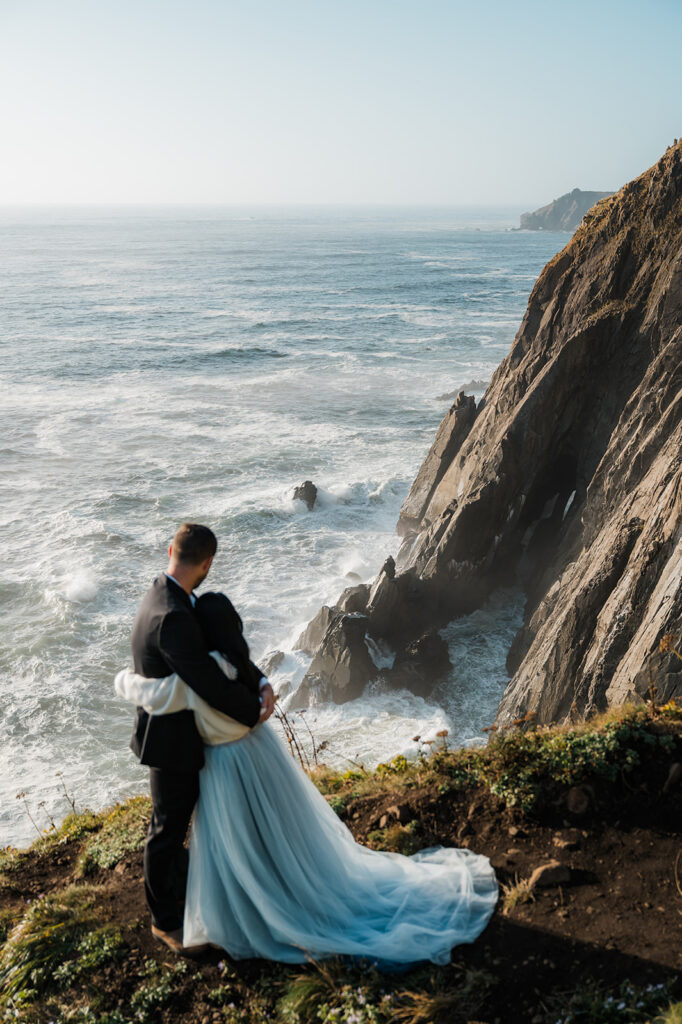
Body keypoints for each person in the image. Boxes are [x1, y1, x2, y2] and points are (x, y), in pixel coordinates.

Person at [117, 578, 498, 969]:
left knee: (238, 841)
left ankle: (250, 908)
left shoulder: (202, 678)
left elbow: (158, 693)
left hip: (227, 770)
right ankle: (284, 891)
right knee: (274, 835)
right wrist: (264, 683)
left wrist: (126, 679)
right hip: (261, 756)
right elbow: (237, 687)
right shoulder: (238, 667)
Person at [126, 523, 275, 954]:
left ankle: (181, 890)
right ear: (208, 564)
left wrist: (260, 680)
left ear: (170, 549)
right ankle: (164, 922)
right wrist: (254, 713)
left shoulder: (165, 594)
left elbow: (222, 652)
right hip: (170, 742)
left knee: (173, 825)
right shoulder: (173, 616)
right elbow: (209, 682)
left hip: (176, 734)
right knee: (166, 829)